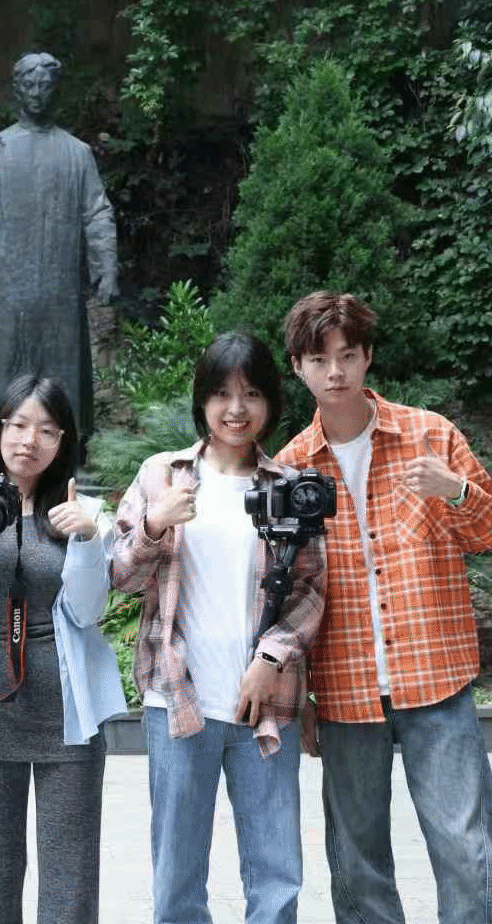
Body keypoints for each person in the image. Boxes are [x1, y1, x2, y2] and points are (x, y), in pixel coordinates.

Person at [275, 291, 492, 924]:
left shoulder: (429, 435)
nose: (335, 372)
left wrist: (455, 490)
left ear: (367, 357)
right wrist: (296, 692)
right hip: (346, 687)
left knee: (466, 846)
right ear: (298, 367)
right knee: (358, 862)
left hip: (435, 678)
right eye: (319, 360)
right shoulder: (291, 469)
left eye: (347, 356)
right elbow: (288, 592)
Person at [110, 333, 326, 924]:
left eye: (251, 393)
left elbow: (311, 588)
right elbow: (120, 576)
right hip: (180, 700)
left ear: (270, 402)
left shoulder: (288, 486)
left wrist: (271, 658)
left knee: (276, 874)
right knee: (177, 876)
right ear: (202, 400)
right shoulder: (162, 475)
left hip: (267, 703)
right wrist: (154, 524)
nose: (236, 409)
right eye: (222, 394)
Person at [0, 374, 127, 924]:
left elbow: (87, 611)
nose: (28, 440)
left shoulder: (84, 512)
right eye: (16, 425)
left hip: (65, 712)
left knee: (69, 878)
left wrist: (87, 538)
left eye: (45, 429)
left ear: (63, 440)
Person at [0, 52, 119, 443]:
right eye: (29, 85)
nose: (37, 93)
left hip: (59, 292)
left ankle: (65, 454)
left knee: (61, 377)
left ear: (56, 90)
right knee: (1, 375)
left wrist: (107, 269)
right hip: (3, 293)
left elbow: (97, 214)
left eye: (45, 86)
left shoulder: (77, 153)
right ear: (17, 90)